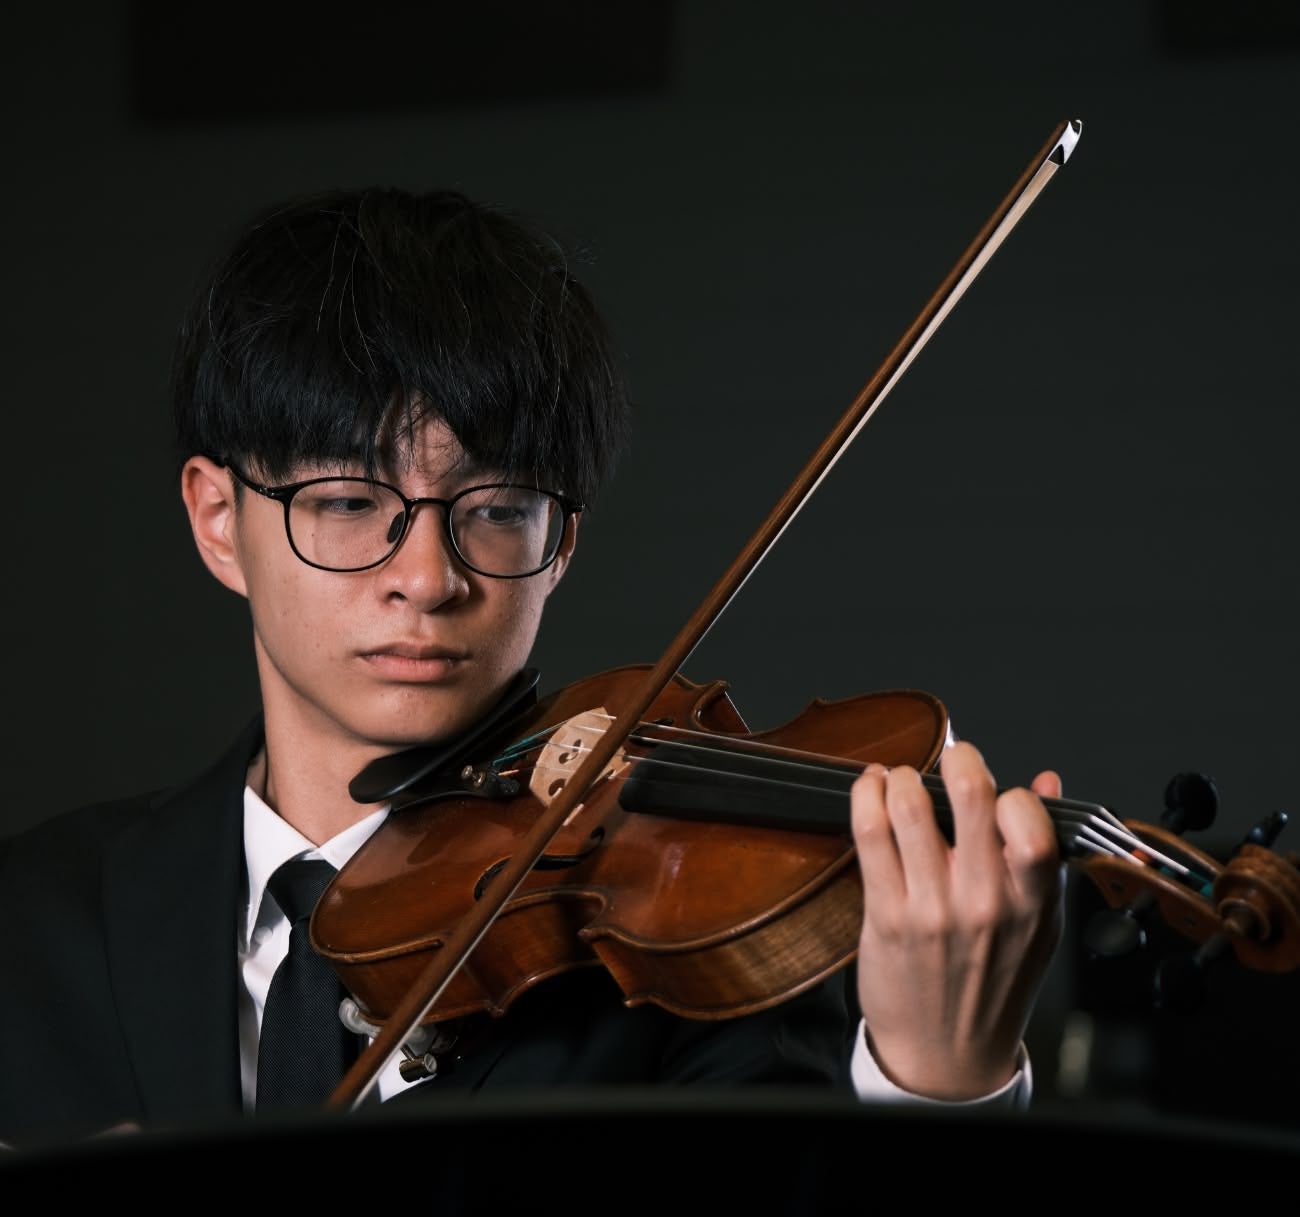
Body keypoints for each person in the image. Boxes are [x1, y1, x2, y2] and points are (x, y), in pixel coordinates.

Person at [0, 187, 1064, 1151]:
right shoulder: (33, 919)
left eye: (496, 510)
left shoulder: (693, 964)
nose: (425, 576)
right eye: (346, 502)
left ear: (560, 540)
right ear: (219, 520)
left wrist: (937, 1087)